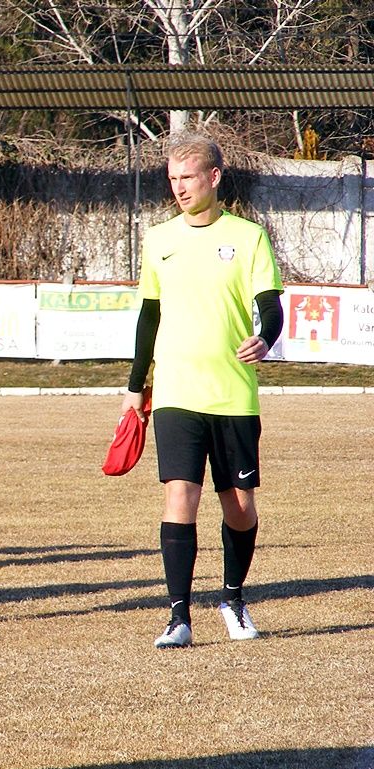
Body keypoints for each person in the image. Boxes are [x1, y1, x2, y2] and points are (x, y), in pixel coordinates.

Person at [122, 132, 284, 650]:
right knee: (180, 494)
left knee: (238, 505)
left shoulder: (249, 237)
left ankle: (232, 599)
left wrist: (266, 338)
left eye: (188, 177)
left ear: (214, 177)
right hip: (176, 392)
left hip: (233, 393)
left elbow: (271, 305)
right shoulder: (158, 240)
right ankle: (178, 616)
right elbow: (148, 316)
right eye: (172, 178)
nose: (179, 187)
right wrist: (136, 386)